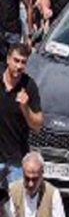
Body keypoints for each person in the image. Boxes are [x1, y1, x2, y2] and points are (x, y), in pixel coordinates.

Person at [0, 43, 42, 188]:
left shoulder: (29, 86)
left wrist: (25, 108)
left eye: (23, 62)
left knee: (15, 208)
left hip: (16, 161)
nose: (19, 66)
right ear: (8, 59)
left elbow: (37, 125)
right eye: (16, 60)